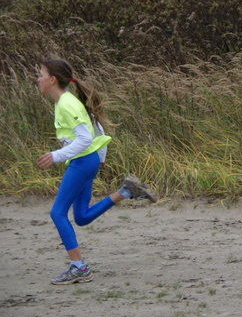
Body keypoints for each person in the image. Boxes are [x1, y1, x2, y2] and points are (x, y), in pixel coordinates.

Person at [36, 58, 157, 285]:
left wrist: (56, 155)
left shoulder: (66, 103)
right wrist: (99, 158)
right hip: (86, 161)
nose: (38, 79)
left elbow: (85, 137)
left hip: (82, 162)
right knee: (81, 217)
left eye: (40, 74)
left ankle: (79, 267)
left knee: (57, 213)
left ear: (52, 80)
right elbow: (95, 125)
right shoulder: (65, 101)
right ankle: (127, 191)